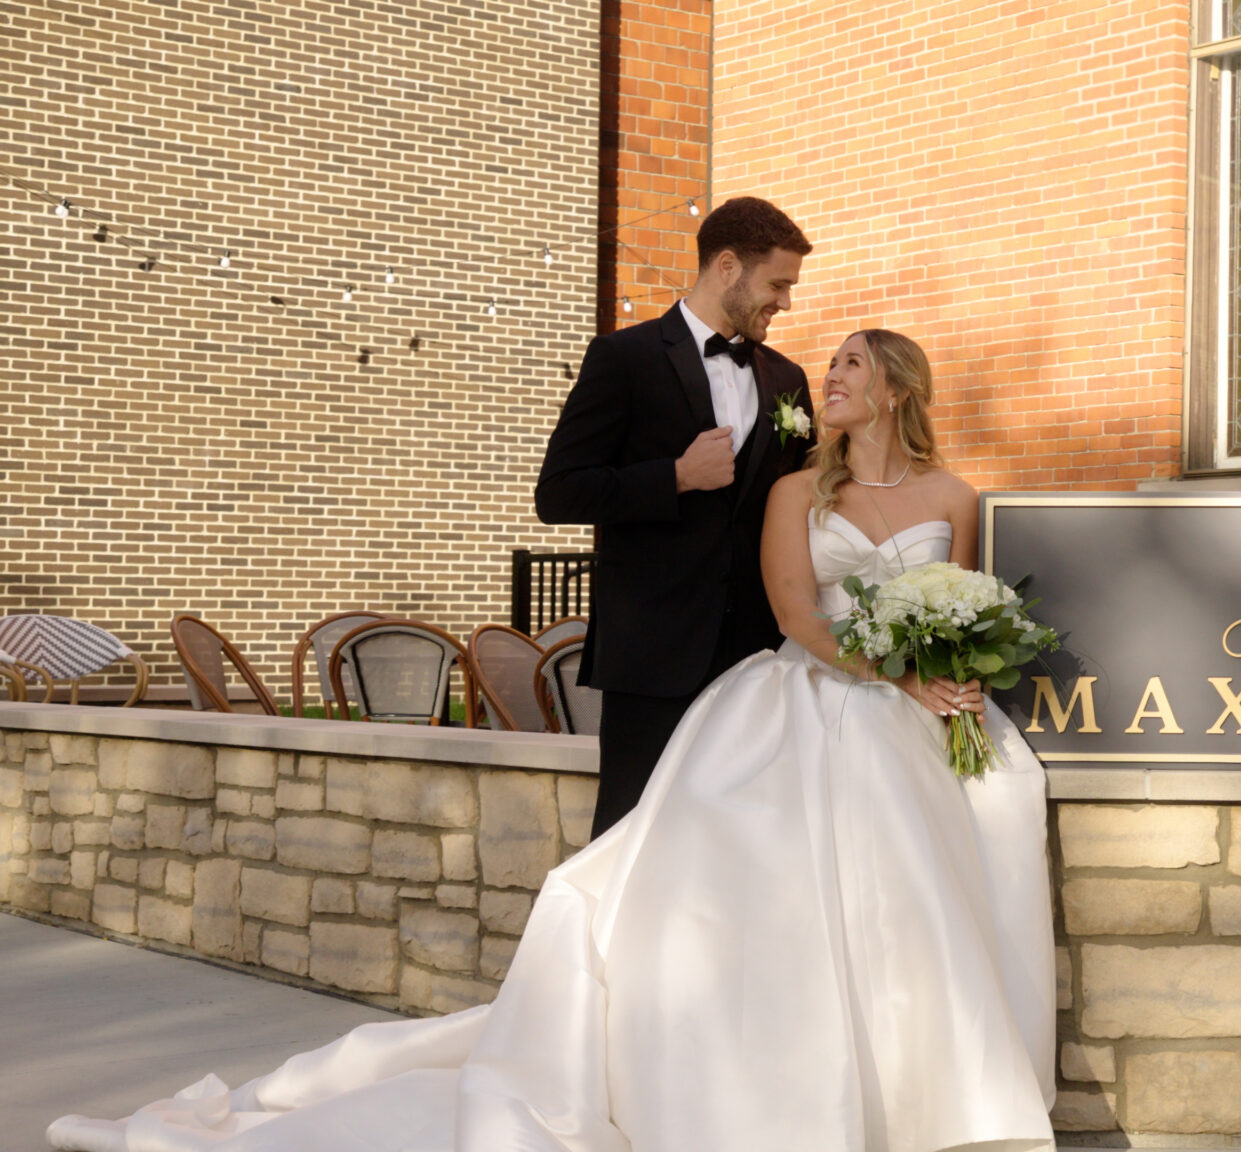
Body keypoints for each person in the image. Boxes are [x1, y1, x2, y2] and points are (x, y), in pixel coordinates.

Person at [47, 329, 1056, 1152]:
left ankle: (929, 1092)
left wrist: (950, 673)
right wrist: (895, 675)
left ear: (893, 390)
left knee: (944, 863)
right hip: (812, 695)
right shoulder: (798, 493)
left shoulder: (954, 497)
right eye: (829, 363)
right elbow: (795, 612)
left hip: (917, 711)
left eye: (849, 365)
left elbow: (962, 604)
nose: (826, 376)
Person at [535, 196, 817, 837]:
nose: (786, 302)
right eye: (778, 285)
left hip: (758, 661)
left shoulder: (788, 379)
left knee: (742, 839)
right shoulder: (623, 358)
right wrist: (676, 477)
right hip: (652, 657)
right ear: (727, 266)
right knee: (631, 836)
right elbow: (559, 494)